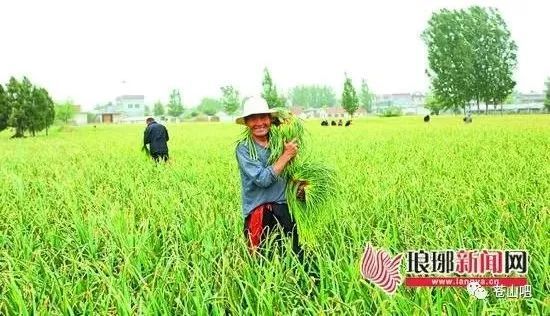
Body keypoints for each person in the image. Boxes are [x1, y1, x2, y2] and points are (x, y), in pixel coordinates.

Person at [235, 96, 306, 260]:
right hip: (260, 212)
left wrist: (299, 186)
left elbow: (290, 172)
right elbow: (262, 179)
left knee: (294, 256)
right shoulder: (244, 148)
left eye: (263, 117)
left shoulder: (280, 142)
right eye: (253, 118)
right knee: (262, 261)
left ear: (270, 119)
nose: (259, 123)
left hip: (285, 209)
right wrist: (286, 155)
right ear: (246, 122)